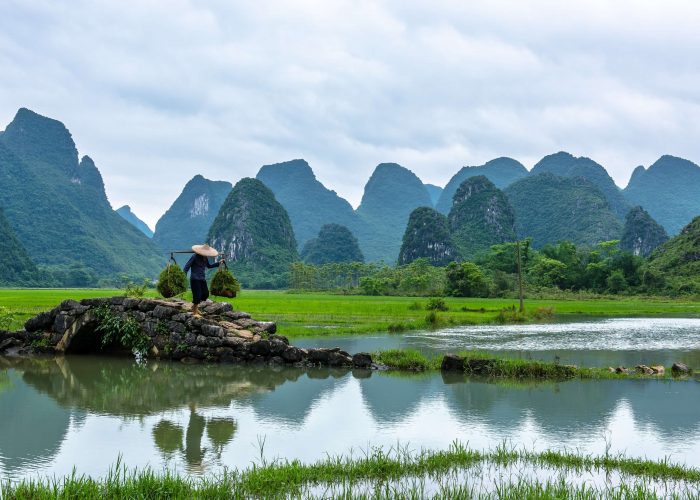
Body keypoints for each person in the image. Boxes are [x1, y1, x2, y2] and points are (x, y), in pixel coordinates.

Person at [183, 243, 224, 316]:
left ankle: (194, 306)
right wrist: (183, 276)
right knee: (197, 296)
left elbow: (209, 266)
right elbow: (186, 267)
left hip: (202, 278)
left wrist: (219, 263)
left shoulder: (205, 258)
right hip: (195, 279)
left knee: (205, 294)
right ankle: (194, 312)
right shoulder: (194, 256)